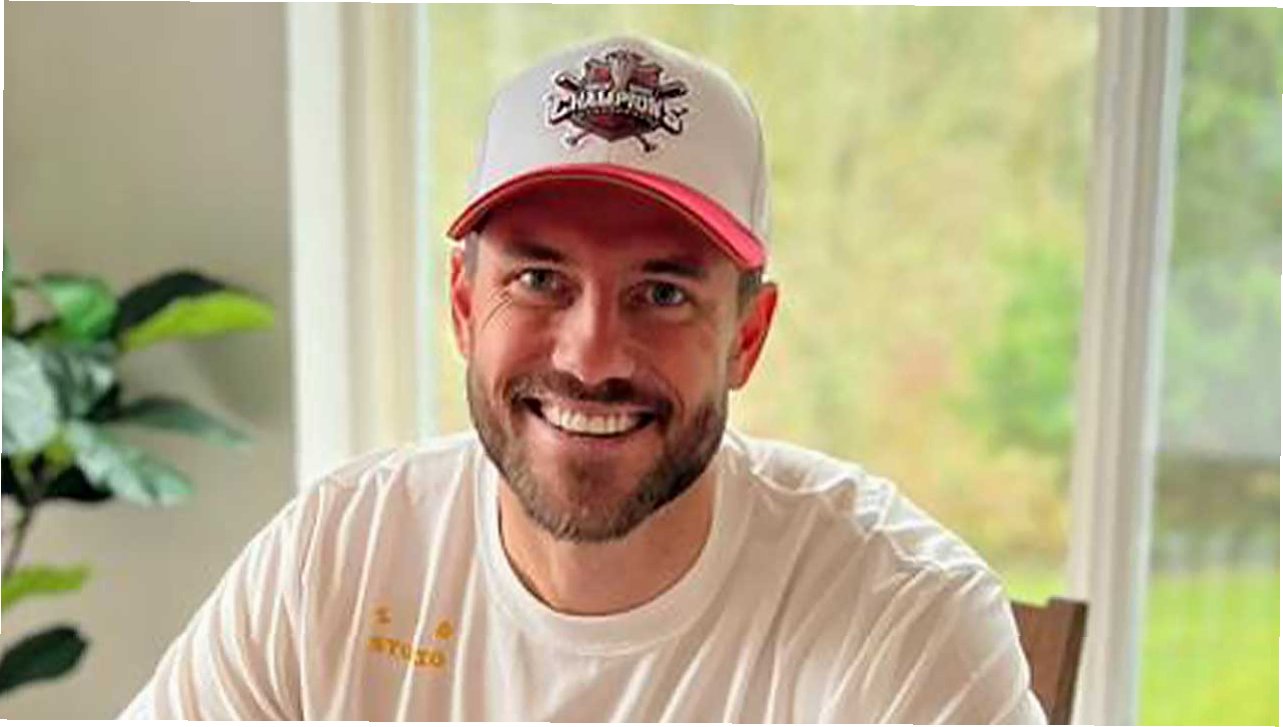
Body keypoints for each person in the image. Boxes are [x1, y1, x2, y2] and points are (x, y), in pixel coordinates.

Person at [119, 35, 1046, 723]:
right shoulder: (336, 557)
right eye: (538, 279)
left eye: (662, 292)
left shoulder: (899, 613)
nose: (590, 356)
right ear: (464, 306)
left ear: (746, 337)